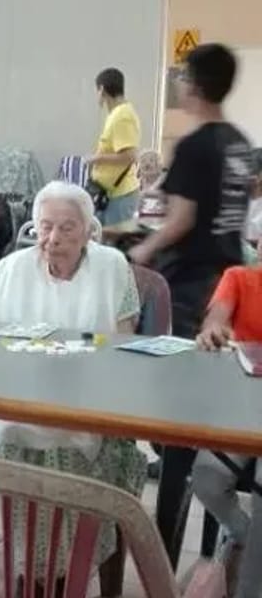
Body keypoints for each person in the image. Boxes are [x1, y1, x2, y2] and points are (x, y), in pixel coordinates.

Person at [0, 181, 146, 593]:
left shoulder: (112, 267)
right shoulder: (13, 269)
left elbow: (122, 348)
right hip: (17, 408)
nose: (53, 239)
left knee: (72, 452)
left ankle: (63, 570)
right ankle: (35, 569)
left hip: (90, 408)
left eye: (67, 228)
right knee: (11, 445)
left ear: (89, 230)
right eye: (45, 226)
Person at [127, 44, 255, 570]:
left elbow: (179, 221)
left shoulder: (198, 144)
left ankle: (162, 540)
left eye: (182, 79)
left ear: (195, 86)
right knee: (209, 412)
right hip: (227, 277)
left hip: (189, 289)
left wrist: (141, 250)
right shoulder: (240, 144)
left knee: (176, 424)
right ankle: (211, 545)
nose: (178, 87)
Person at [191, 245, 262, 598]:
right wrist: (214, 331)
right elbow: (217, 316)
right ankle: (242, 535)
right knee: (206, 477)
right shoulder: (239, 278)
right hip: (243, 401)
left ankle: (249, 589)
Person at [86, 68, 141, 226]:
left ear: (102, 89)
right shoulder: (117, 114)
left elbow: (130, 156)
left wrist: (96, 158)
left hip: (120, 195)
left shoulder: (122, 116)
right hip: (111, 194)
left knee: (114, 244)